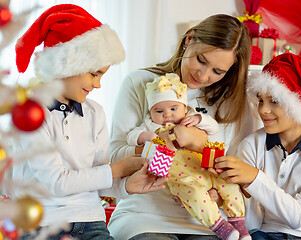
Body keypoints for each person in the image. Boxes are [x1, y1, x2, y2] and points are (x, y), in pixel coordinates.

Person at [12, 4, 167, 240]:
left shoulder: (95, 113)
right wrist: (116, 169)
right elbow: (56, 182)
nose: (98, 84)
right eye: (94, 74)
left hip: (91, 222)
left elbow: (98, 179)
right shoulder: (30, 113)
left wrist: (126, 185)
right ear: (66, 64)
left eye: (102, 75)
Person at [108, 14, 255, 240]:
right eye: (201, 60)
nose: (203, 75)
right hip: (142, 216)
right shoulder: (139, 82)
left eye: (218, 71)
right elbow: (114, 158)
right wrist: (161, 144)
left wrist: (198, 142)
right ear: (189, 39)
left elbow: (239, 174)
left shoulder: (233, 104)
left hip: (207, 222)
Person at [214, 53, 301, 240]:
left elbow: (299, 217)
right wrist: (233, 196)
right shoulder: (251, 145)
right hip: (263, 234)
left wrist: (254, 178)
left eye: (274, 101)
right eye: (260, 100)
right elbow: (251, 224)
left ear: (299, 103)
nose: (263, 110)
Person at [127, 73, 250, 240]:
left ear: (184, 108)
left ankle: (239, 224)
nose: (167, 115)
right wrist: (144, 137)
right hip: (181, 178)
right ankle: (221, 227)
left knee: (229, 185)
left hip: (206, 169)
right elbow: (131, 136)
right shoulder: (151, 125)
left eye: (173, 108)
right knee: (194, 196)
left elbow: (214, 128)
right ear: (151, 112)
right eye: (159, 110)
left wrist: (199, 119)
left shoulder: (191, 117)